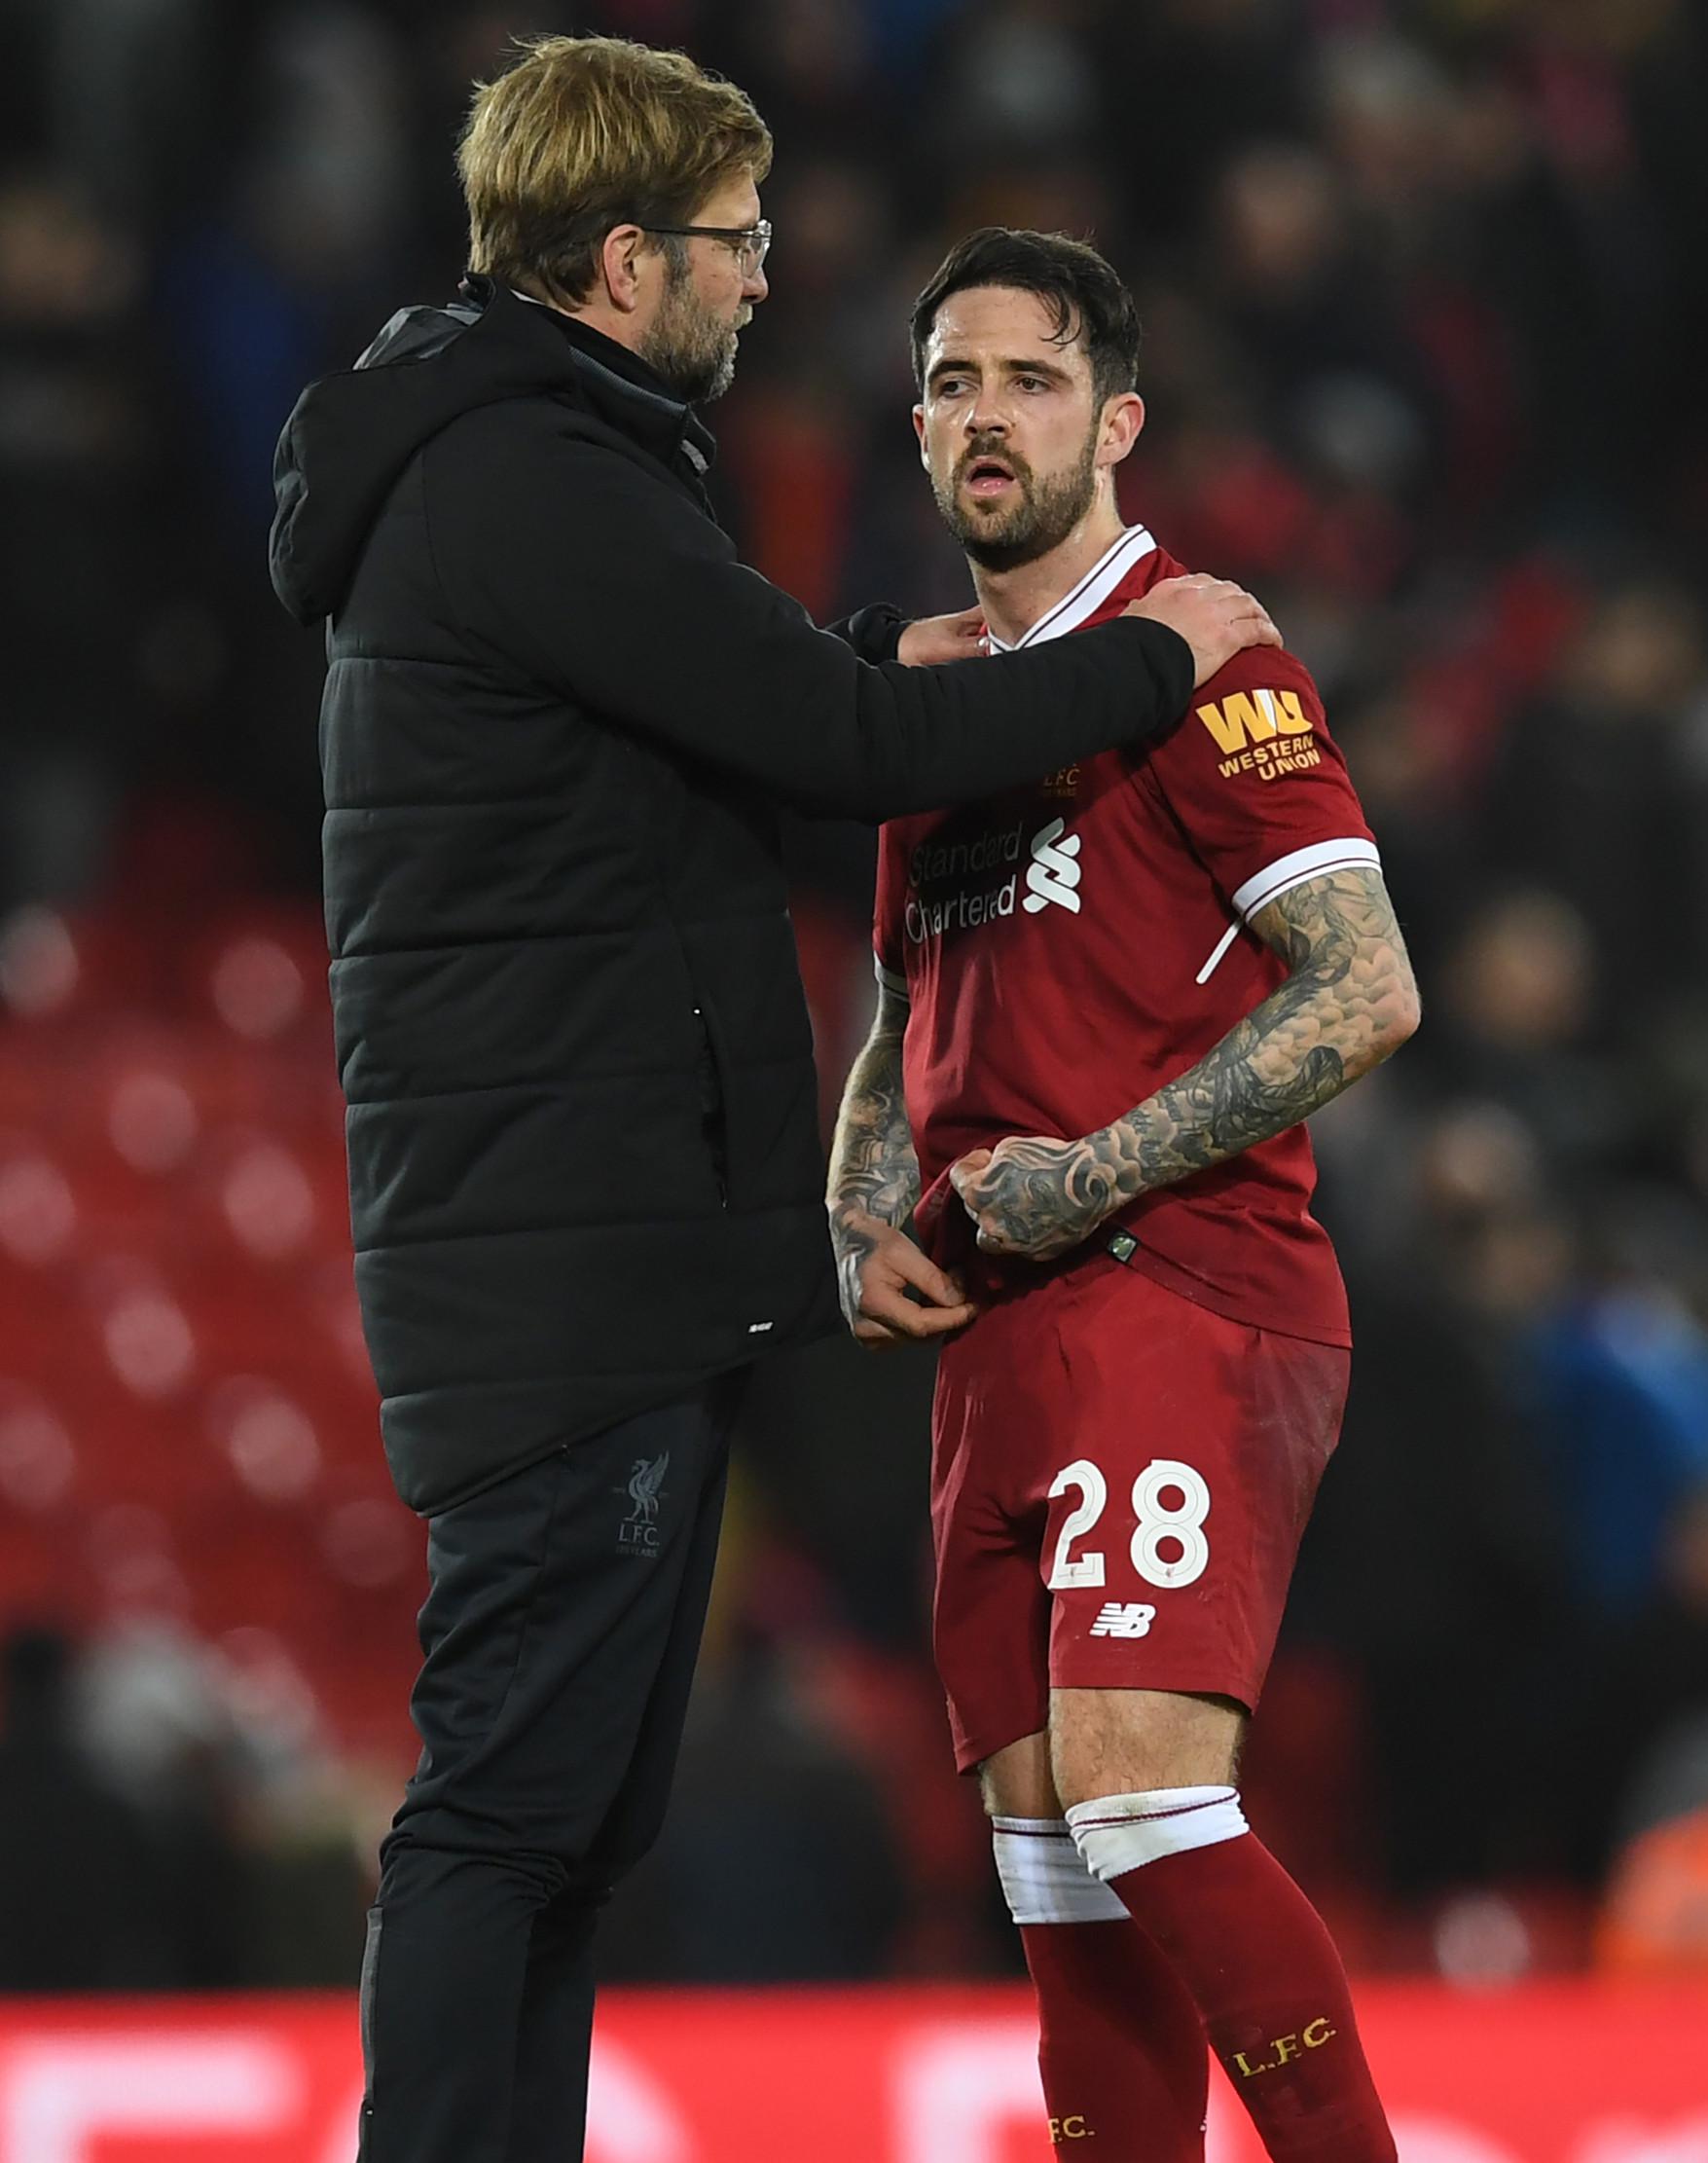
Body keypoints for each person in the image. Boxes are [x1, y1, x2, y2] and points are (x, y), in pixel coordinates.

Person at [267, 36, 1280, 2163]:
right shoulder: (526, 476)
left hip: (586, 1254)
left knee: (559, 1827)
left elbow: (722, 759)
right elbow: (837, 742)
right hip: (569, 1277)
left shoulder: (521, 461)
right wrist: (1153, 658)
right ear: (624, 257)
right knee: (506, 1816)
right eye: (732, 245)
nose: (761, 280)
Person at [828, 228, 1422, 2161]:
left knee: (1145, 1796)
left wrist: (1088, 1171)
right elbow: (900, 997)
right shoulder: (937, 697)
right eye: (949, 382)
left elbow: (1366, 983)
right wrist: (856, 1210)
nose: (982, 415)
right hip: (1000, 1330)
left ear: (1119, 420)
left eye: (1028, 378)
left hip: (1181, 1278)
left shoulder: (1204, 656)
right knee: (1053, 1872)